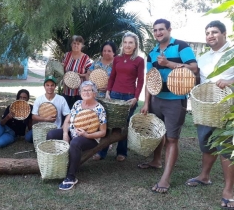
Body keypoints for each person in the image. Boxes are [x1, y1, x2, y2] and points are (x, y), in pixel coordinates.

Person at [139, 19, 198, 193]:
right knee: (158, 134)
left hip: (175, 100)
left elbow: (194, 68)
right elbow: (150, 78)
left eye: (161, 30)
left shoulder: (181, 46)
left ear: (169, 30)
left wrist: (169, 64)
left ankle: (165, 179)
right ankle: (156, 161)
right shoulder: (152, 53)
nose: (158, 33)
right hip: (157, 99)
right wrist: (147, 103)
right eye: (155, 30)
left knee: (171, 138)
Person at [185, 21, 234, 209]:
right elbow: (198, 79)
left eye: (214, 32)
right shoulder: (203, 57)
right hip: (206, 107)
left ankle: (229, 190)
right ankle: (204, 176)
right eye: (207, 33)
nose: (210, 35)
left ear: (224, 33)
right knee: (206, 142)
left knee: (226, 147)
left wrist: (230, 80)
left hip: (228, 108)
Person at [47, 81, 107, 190]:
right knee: (51, 134)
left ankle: (71, 177)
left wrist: (86, 135)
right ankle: (56, 164)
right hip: (72, 132)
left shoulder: (100, 109)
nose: (86, 92)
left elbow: (103, 132)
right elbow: (67, 121)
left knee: (75, 143)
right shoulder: (77, 103)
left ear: (95, 93)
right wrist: (65, 133)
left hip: (90, 138)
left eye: (89, 90)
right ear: (80, 92)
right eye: (84, 90)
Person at [97, 32, 144, 162]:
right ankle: (102, 151)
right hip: (114, 95)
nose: (127, 45)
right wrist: (108, 91)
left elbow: (140, 81)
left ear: (135, 45)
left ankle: (121, 152)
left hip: (129, 96)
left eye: (131, 43)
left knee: (124, 124)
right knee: (108, 123)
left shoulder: (139, 60)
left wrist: (136, 97)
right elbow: (112, 77)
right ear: (122, 44)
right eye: (125, 42)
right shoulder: (117, 58)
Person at [85, 41, 116, 160]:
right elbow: (88, 73)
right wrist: (90, 85)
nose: (106, 53)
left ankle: (106, 145)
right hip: (95, 96)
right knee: (94, 119)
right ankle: (93, 143)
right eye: (104, 50)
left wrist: (109, 87)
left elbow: (118, 79)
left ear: (114, 52)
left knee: (106, 122)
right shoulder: (97, 63)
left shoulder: (116, 64)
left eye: (109, 51)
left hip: (108, 97)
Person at [27, 76, 70, 142]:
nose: (50, 87)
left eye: (52, 85)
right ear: (44, 86)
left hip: (56, 128)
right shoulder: (39, 99)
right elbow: (33, 116)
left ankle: (52, 138)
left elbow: (68, 114)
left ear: (55, 86)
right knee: (28, 137)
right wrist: (45, 119)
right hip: (42, 128)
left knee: (51, 136)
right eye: (47, 85)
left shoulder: (61, 99)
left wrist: (63, 126)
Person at [62, 35, 92, 108]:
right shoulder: (66, 55)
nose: (76, 45)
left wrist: (80, 75)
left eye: (78, 44)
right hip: (67, 89)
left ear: (82, 46)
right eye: (74, 43)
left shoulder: (86, 58)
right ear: (71, 44)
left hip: (80, 89)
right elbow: (62, 69)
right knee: (65, 109)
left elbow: (89, 73)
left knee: (78, 109)